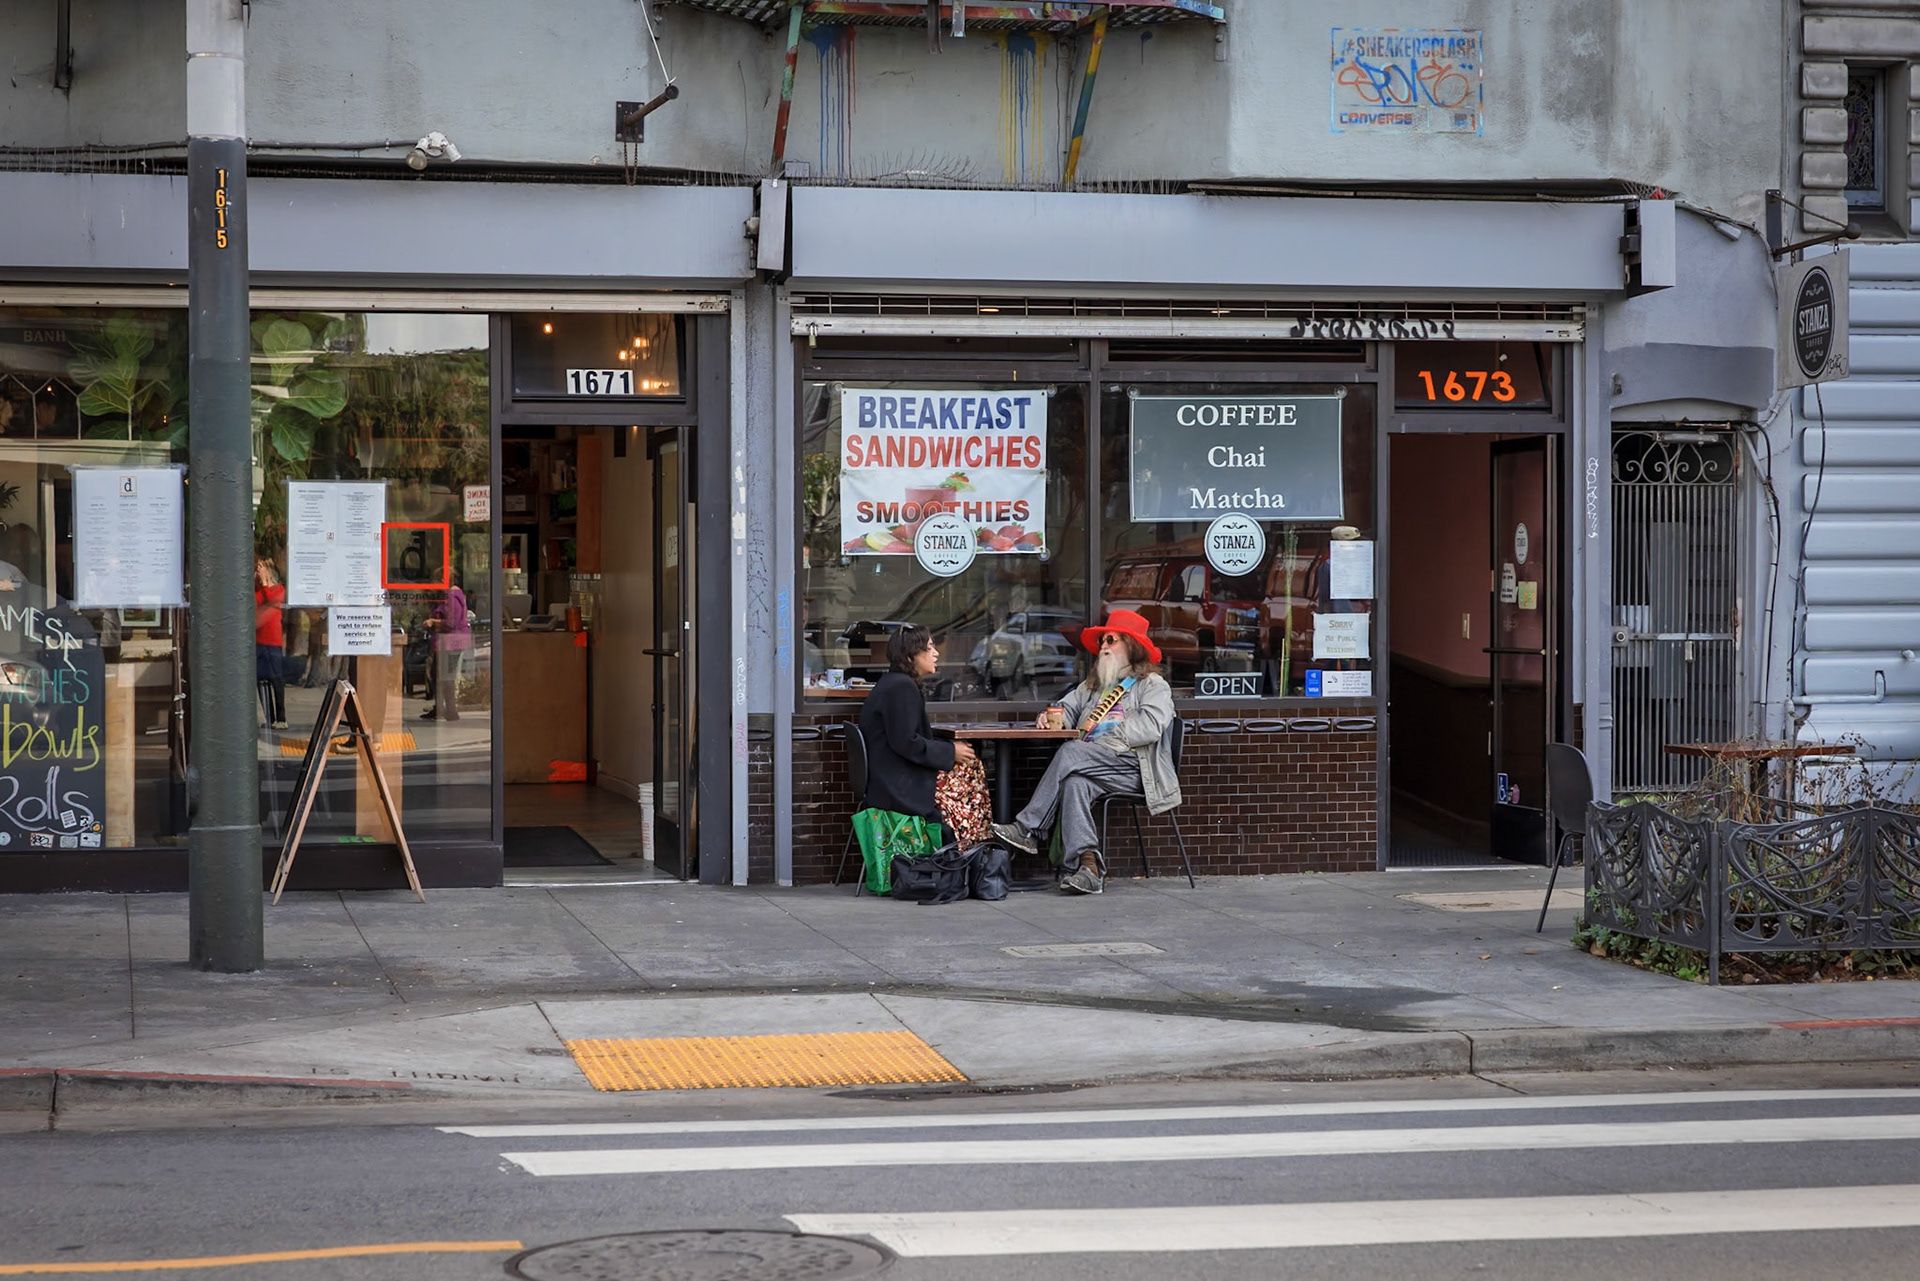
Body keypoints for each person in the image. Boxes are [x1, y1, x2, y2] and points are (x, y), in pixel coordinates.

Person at [990, 608, 1181, 895]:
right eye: (1102, 641)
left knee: (1071, 752)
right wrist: (1052, 716)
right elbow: (1066, 707)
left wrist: (1104, 745)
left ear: (1132, 646)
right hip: (1092, 763)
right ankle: (1089, 868)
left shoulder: (1153, 685)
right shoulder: (1093, 686)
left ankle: (1028, 828)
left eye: (1111, 640)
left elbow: (1151, 726)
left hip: (1134, 769)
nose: (1103, 647)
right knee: (1074, 783)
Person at [857, 625, 981, 844]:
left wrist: (948, 750)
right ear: (910, 654)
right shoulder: (901, 688)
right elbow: (905, 742)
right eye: (930, 647)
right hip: (897, 784)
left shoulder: (893, 683)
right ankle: (966, 851)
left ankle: (967, 853)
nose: (936, 653)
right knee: (971, 775)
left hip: (888, 775)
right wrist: (951, 751)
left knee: (970, 767)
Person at [421, 579, 470, 722]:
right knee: (438, 675)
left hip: (451, 643)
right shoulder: (448, 595)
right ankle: (441, 708)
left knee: (446, 677)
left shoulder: (452, 596)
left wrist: (432, 622)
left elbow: (451, 623)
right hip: (445, 643)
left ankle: (450, 711)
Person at [254, 558, 288, 729]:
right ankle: (270, 717)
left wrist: (265, 582)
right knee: (260, 679)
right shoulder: (258, 590)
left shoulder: (278, 590)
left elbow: (270, 601)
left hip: (273, 642)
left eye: (261, 569)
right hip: (258, 640)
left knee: (276, 679)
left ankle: (281, 718)